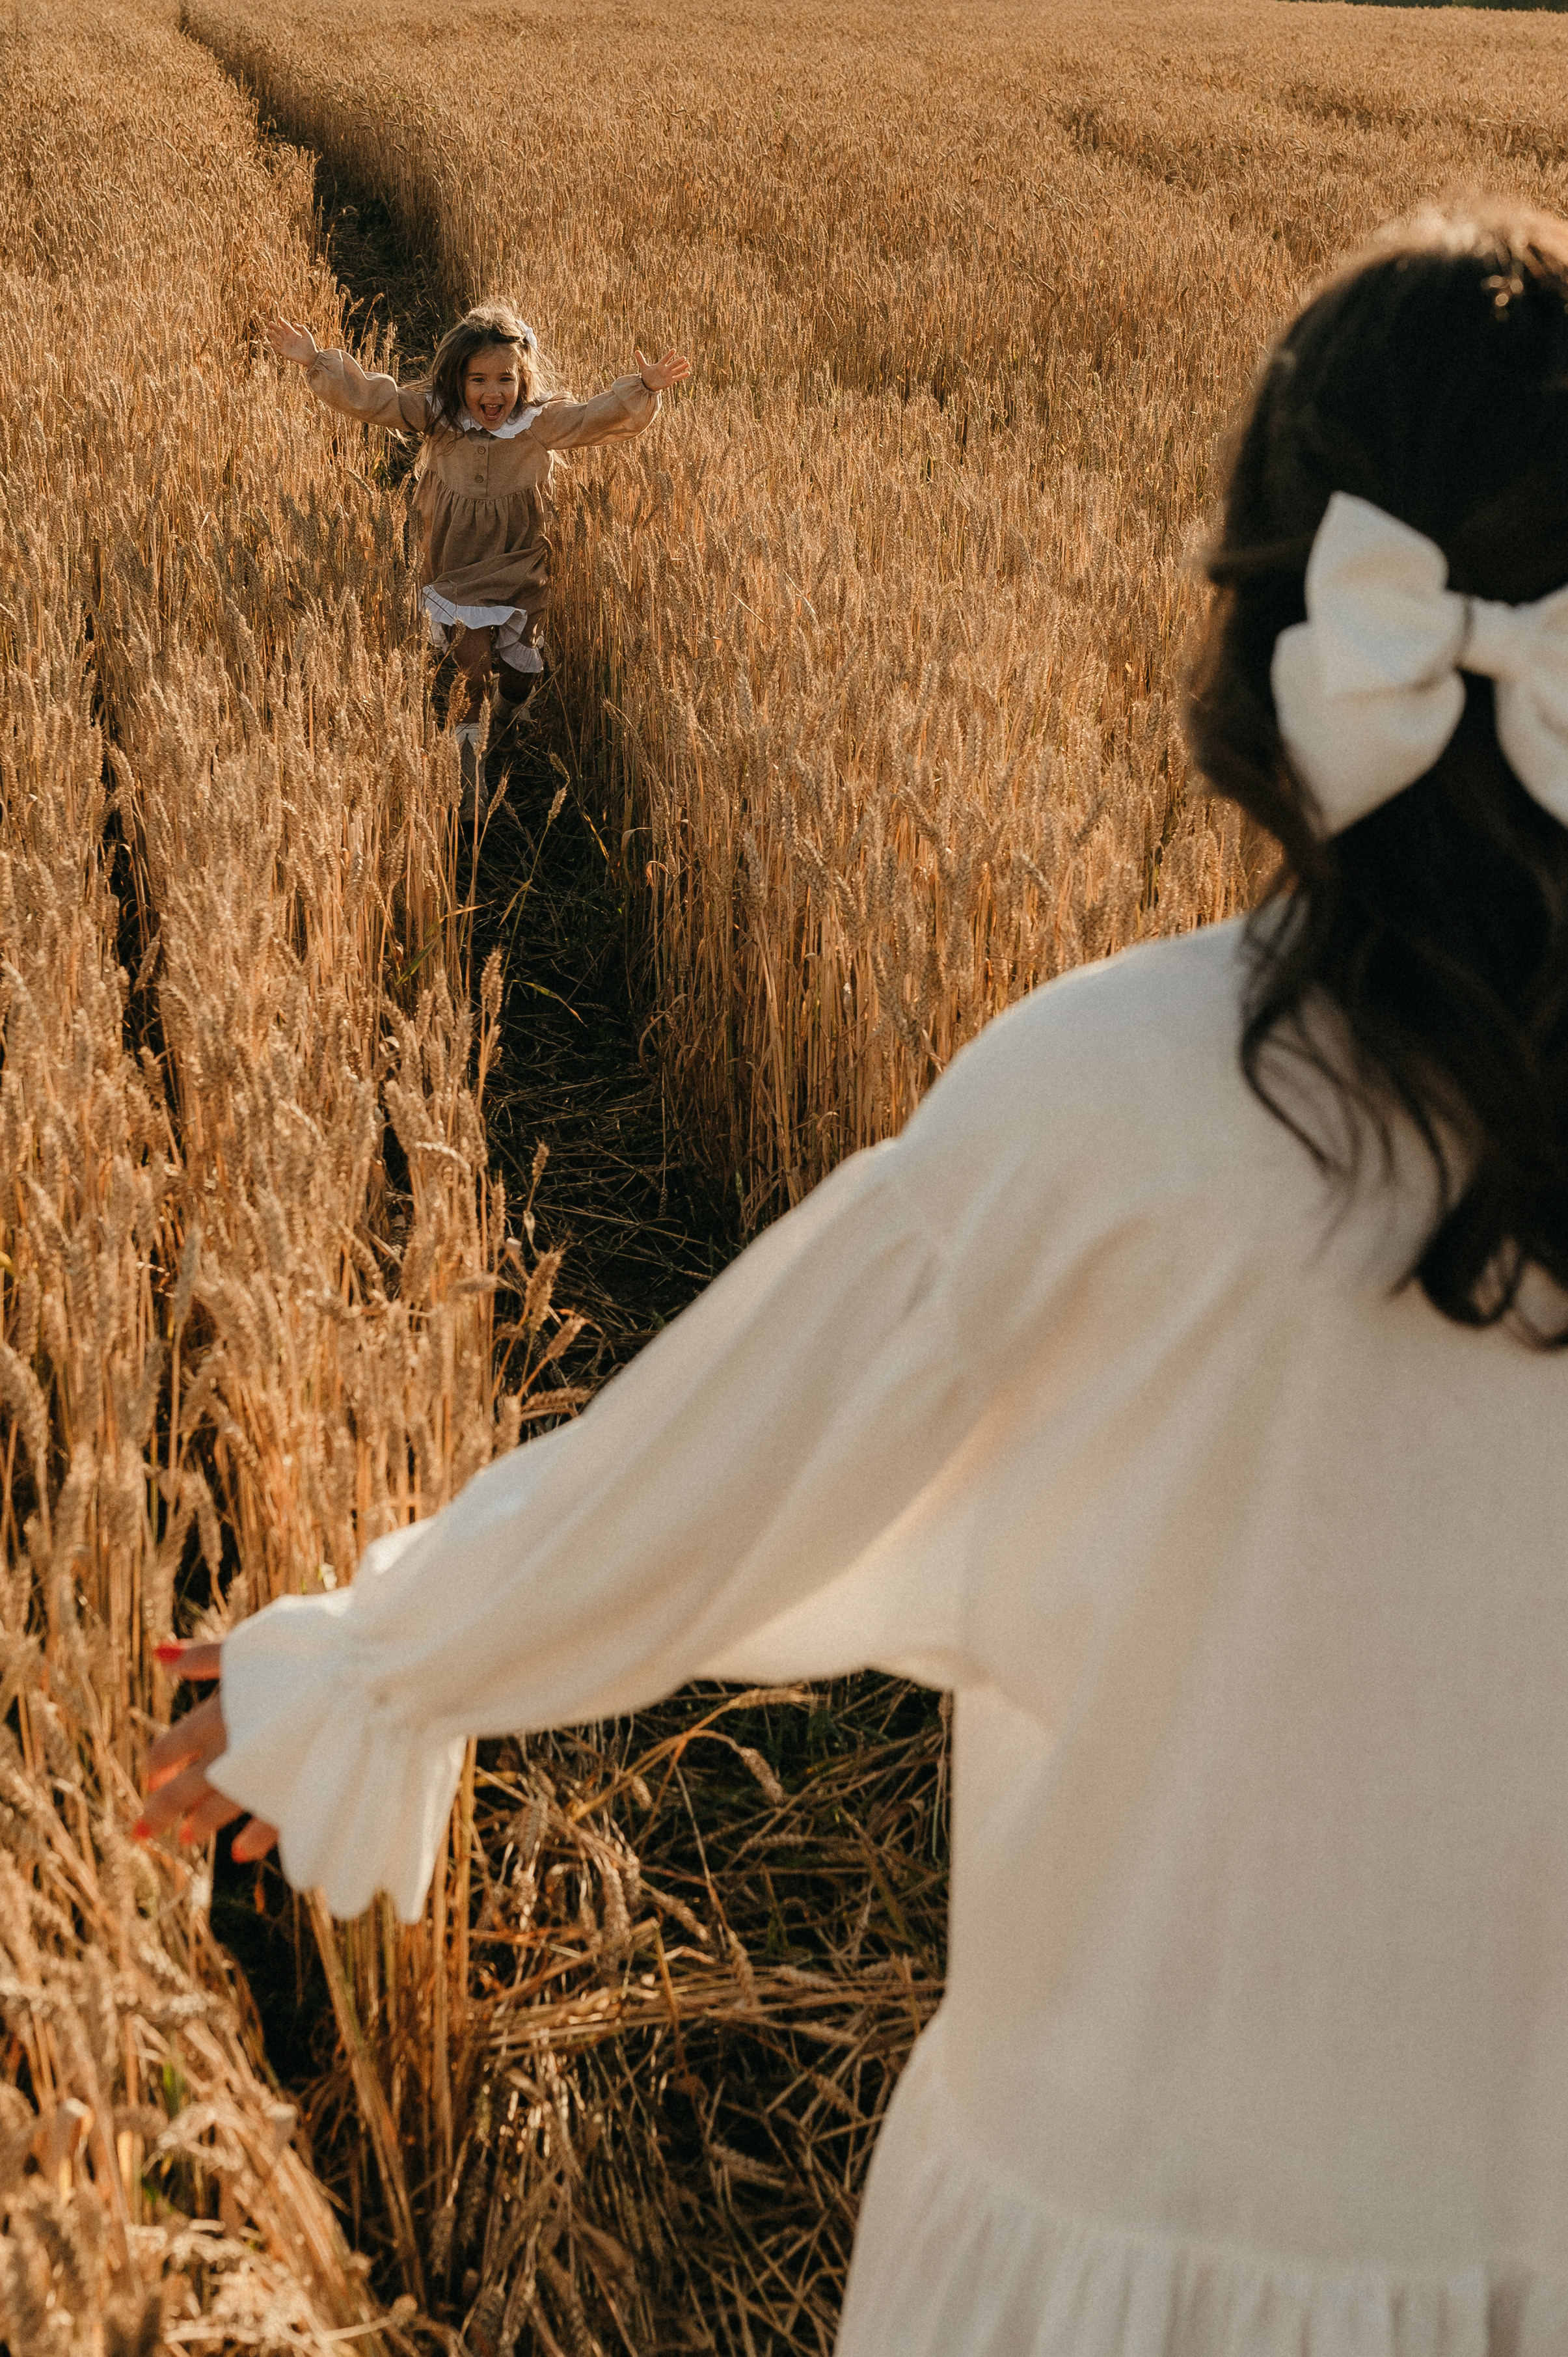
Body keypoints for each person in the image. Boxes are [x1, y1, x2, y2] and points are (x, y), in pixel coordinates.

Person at [146, 201, 1568, 2353]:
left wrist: (355, 1669)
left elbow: (711, 1470)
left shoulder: (1109, 1094)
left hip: (1097, 2261)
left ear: (1267, 623)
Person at [266, 301, 690, 810]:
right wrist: (316, 362)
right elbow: (376, 400)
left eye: (505, 379)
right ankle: (471, 781)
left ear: (523, 378)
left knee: (519, 672)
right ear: (456, 380)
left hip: (520, 559)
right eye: (478, 379)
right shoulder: (439, 417)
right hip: (455, 562)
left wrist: (642, 389)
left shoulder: (537, 423)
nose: (493, 393)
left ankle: (510, 717)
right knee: (471, 670)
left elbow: (592, 419)